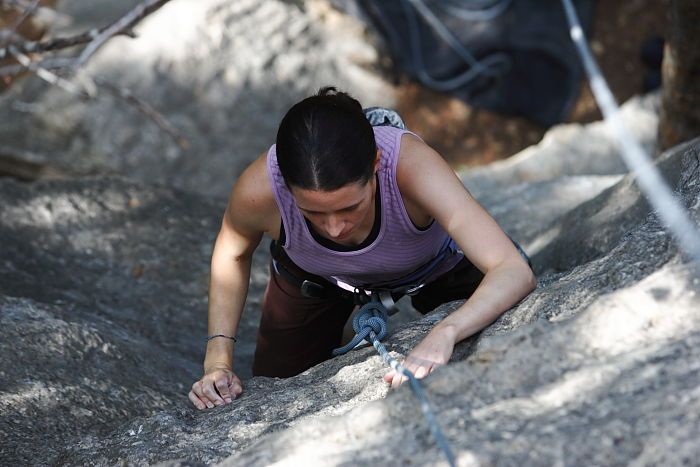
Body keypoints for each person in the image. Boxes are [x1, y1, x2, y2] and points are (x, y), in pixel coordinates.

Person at [188, 87, 536, 411]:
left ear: (375, 166)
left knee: (509, 316)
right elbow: (232, 254)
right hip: (316, 277)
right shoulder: (260, 190)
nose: (335, 228)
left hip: (435, 266)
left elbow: (512, 270)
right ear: (286, 184)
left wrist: (446, 332)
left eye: (349, 208)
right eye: (313, 214)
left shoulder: (411, 167)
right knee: (275, 382)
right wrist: (218, 359)